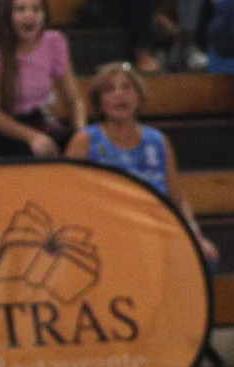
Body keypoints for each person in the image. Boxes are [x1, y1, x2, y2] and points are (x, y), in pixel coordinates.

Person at [71, 63, 216, 260]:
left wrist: (195, 235)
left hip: (155, 230)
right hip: (107, 233)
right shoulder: (85, 140)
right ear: (99, 103)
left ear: (138, 98)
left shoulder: (158, 141)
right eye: (109, 90)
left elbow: (178, 199)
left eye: (126, 87)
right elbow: (69, 196)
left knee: (205, 258)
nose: (119, 94)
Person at [0, 0, 84, 159]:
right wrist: (32, 137)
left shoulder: (54, 41)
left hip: (41, 121)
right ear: (8, 16)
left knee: (79, 145)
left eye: (36, 9)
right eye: (21, 10)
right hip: (7, 126)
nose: (29, 16)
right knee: (30, 152)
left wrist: (81, 134)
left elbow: (74, 101)